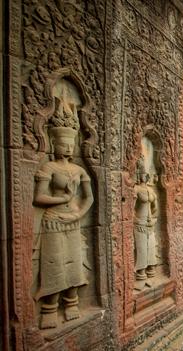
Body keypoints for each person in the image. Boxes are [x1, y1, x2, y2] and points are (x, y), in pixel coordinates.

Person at [33, 125, 93, 329]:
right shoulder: (49, 167)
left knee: (74, 260)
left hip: (73, 220)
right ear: (53, 144)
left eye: (70, 143)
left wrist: (78, 214)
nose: (68, 147)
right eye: (63, 144)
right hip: (53, 220)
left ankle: (71, 302)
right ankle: (50, 307)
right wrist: (64, 198)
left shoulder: (79, 170)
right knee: (54, 262)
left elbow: (89, 198)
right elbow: (38, 197)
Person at [134, 157, 158, 290]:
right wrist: (136, 220)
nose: (144, 176)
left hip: (150, 224)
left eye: (146, 174)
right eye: (142, 174)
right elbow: (129, 209)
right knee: (142, 250)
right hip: (139, 223)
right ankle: (141, 275)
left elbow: (155, 208)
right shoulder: (136, 189)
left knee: (151, 249)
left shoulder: (151, 191)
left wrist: (154, 219)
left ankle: (151, 274)